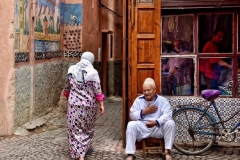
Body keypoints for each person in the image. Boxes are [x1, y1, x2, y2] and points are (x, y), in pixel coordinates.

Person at [62, 51, 105, 160]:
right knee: (87, 128)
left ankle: (79, 153)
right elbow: (97, 90)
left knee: (74, 129)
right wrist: (101, 104)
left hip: (74, 106)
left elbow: (67, 87)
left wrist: (68, 98)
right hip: (89, 106)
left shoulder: (71, 70)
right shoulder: (93, 72)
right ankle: (85, 149)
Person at [125, 78, 176, 160]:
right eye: (144, 91)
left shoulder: (162, 100)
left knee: (170, 123)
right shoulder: (139, 100)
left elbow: (168, 114)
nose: (146, 93)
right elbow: (132, 115)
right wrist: (144, 112)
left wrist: (156, 122)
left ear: (154, 90)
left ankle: (167, 152)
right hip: (143, 127)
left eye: (148, 90)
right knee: (131, 124)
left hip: (158, 128)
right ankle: (130, 154)